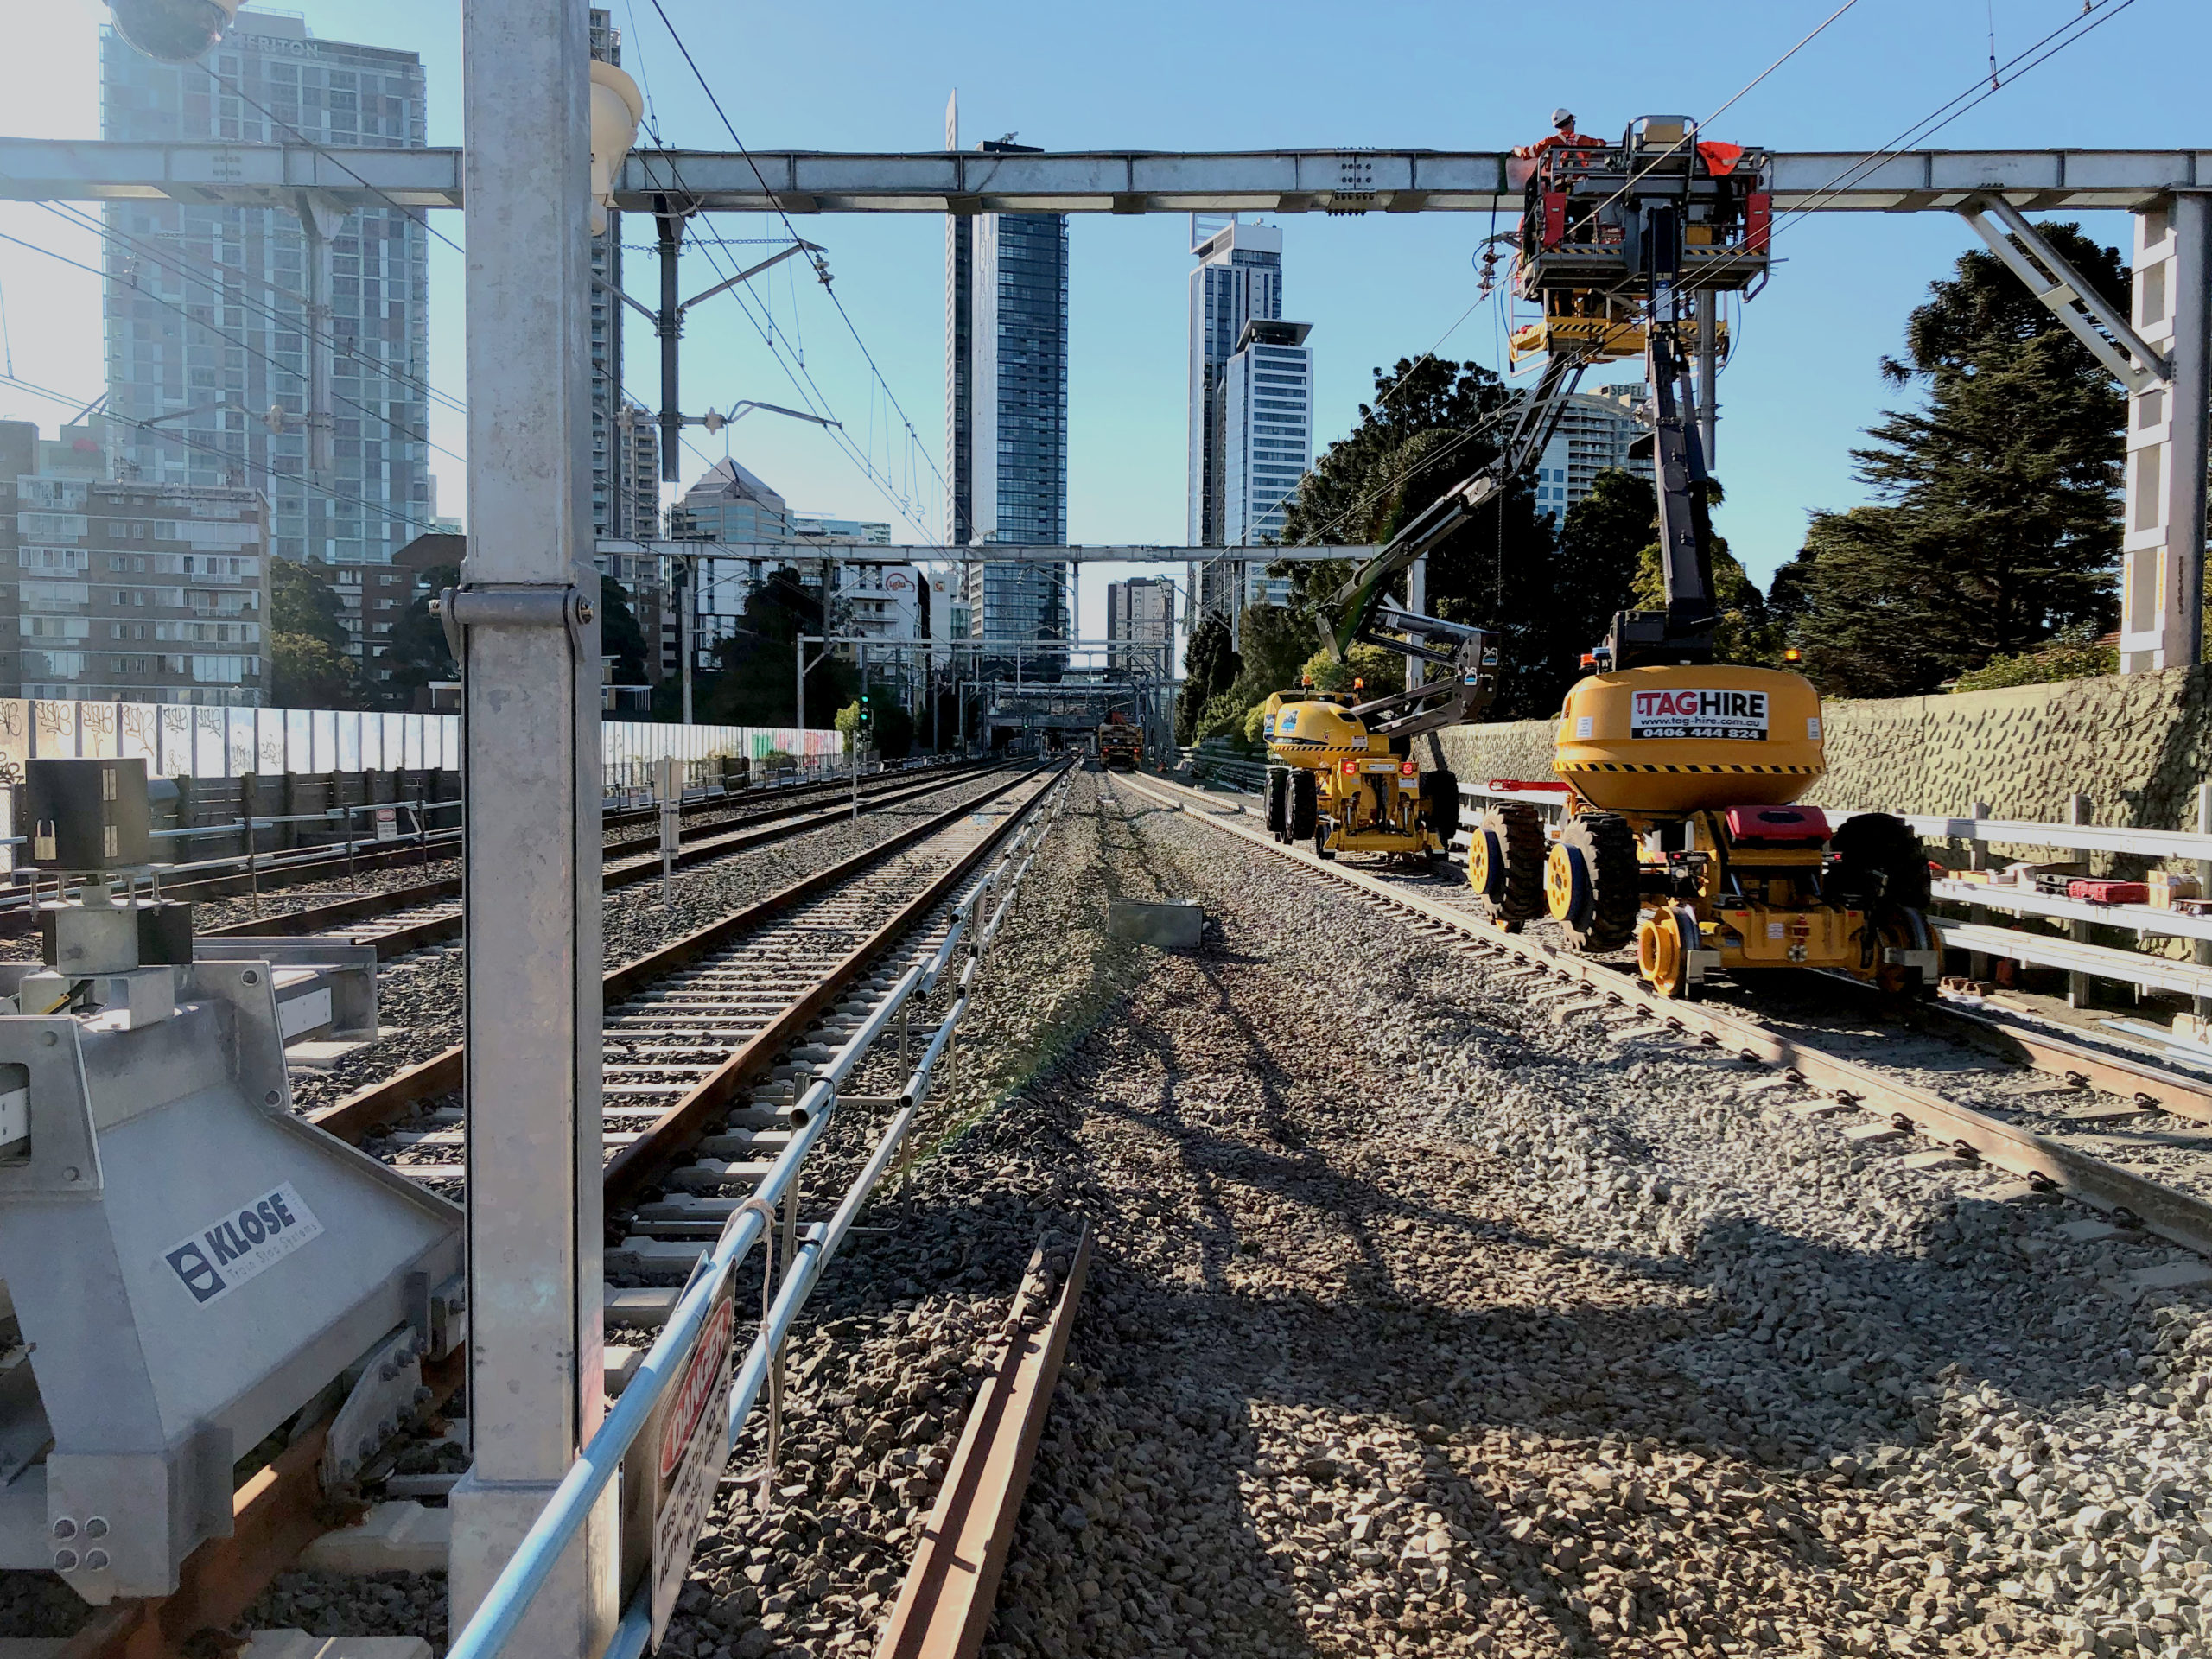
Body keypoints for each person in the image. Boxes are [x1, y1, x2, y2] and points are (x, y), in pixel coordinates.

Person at [1514, 109, 1605, 163]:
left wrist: (1515, 149)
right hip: (1580, 183)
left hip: (1557, 186)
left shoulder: (1549, 142)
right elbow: (1600, 144)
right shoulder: (1585, 140)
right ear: (1570, 121)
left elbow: (1526, 153)